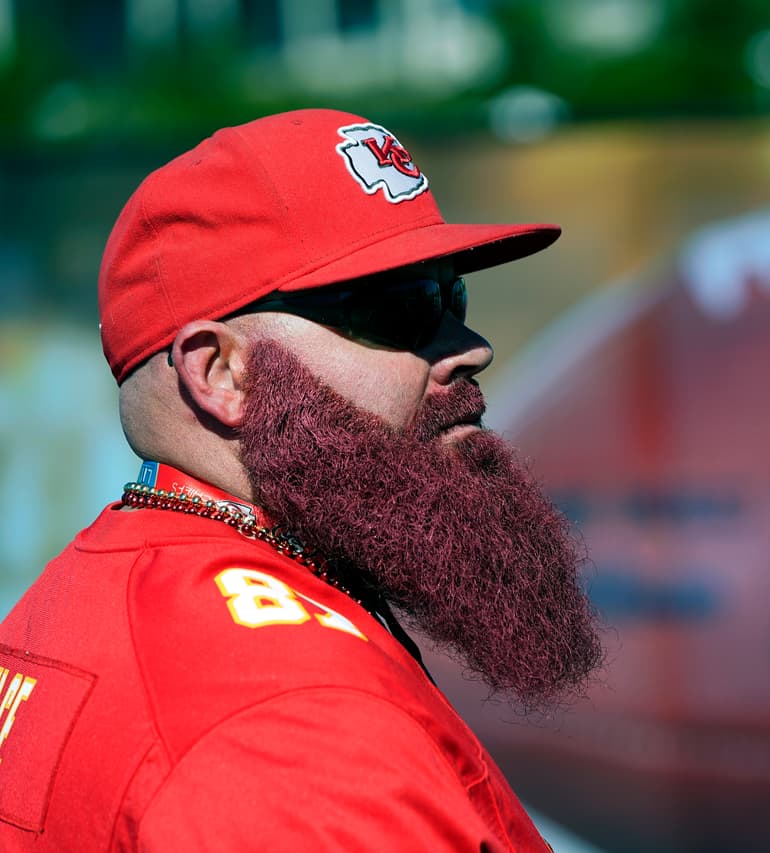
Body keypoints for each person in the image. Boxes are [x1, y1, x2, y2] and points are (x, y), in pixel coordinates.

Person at [0, 109, 604, 851]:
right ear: (220, 372)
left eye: (454, 300)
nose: (469, 348)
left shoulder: (80, 590)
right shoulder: (291, 727)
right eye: (401, 308)